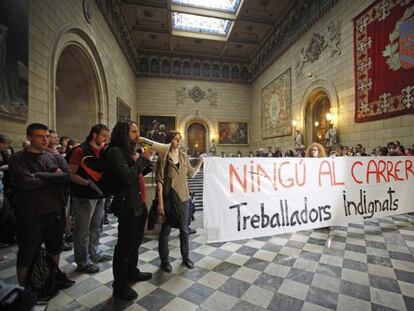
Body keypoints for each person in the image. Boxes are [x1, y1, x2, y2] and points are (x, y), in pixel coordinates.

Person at [9, 123, 73, 287]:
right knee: (27, 252)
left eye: (47, 136)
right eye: (40, 136)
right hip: (31, 213)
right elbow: (25, 183)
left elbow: (67, 176)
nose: (46, 139)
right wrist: (53, 177)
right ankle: (24, 289)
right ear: (29, 138)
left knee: (55, 248)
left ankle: (52, 280)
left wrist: (40, 175)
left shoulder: (55, 156)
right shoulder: (17, 159)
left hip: (55, 210)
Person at [102, 120, 152, 301]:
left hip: (138, 202)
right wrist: (142, 160)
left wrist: (146, 162)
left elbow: (137, 174)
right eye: (134, 132)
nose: (137, 135)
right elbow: (126, 177)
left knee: (135, 242)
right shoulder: (114, 152)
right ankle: (119, 286)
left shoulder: (127, 152)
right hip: (127, 205)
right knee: (124, 246)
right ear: (123, 133)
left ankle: (132, 272)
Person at [156, 131, 205, 273]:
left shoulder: (183, 156)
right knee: (165, 231)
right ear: (169, 141)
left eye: (180, 139)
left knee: (184, 230)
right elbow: (159, 182)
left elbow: (191, 173)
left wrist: (201, 161)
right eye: (176, 139)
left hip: (184, 198)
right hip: (168, 199)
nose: (179, 141)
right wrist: (160, 203)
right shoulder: (163, 158)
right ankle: (165, 260)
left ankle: (186, 257)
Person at [69, 124, 112, 274]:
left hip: (99, 194)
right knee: (82, 230)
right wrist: (89, 184)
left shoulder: (101, 151)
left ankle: (95, 252)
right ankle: (82, 261)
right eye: (104, 136)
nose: (106, 139)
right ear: (94, 135)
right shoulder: (80, 150)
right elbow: (72, 174)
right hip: (84, 195)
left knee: (97, 225)